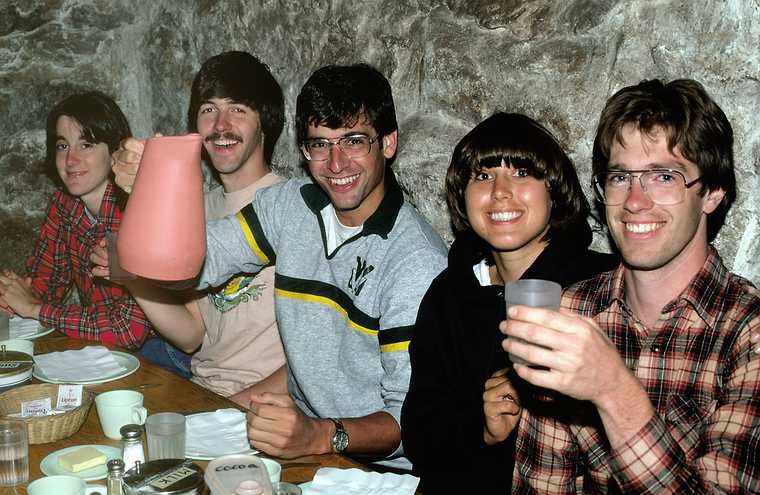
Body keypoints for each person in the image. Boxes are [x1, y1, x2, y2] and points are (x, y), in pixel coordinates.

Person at [504, 79, 759, 492]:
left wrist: (612, 388)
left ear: (712, 192)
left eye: (663, 176)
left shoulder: (747, 332)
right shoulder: (570, 312)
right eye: (620, 177)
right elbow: (542, 484)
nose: (635, 201)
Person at [187, 64, 447, 467]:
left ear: (389, 143)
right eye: (320, 145)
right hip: (301, 440)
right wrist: (155, 183)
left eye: (354, 141)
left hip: (375, 468)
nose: (336, 164)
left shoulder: (415, 262)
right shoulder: (292, 205)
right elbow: (199, 261)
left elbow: (409, 420)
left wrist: (320, 435)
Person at [400, 112, 618, 492]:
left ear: (554, 190)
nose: (500, 191)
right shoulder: (449, 293)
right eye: (483, 176)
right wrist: (480, 428)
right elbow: (419, 436)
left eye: (521, 173)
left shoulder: (599, 288)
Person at [94, 51, 287, 396]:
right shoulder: (195, 209)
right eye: (208, 110)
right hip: (202, 388)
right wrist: (128, 274)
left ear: (265, 124)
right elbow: (191, 335)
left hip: (266, 403)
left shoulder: (290, 206)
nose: (221, 125)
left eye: (238, 110)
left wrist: (237, 406)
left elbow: (317, 357)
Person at [0, 91, 153, 349]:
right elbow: (45, 283)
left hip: (159, 351)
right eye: (63, 146)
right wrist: (10, 291)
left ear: (115, 151)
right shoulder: (65, 205)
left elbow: (129, 331)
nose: (71, 160)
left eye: (86, 144)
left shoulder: (131, 215)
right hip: (103, 345)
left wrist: (34, 308)